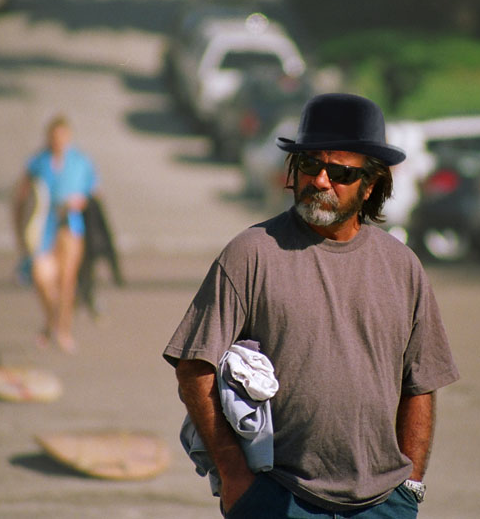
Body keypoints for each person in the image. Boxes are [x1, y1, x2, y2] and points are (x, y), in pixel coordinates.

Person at [163, 93, 459, 518]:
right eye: (309, 165)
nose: (320, 181)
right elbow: (194, 366)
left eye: (339, 171)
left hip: (383, 505)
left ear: (371, 185)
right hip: (279, 497)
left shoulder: (402, 266)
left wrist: (409, 488)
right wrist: (234, 475)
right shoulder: (251, 254)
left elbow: (421, 383)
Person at [12, 114, 99, 353]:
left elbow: (92, 192)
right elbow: (22, 196)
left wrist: (79, 201)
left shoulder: (80, 162)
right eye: (54, 136)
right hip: (43, 227)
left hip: (71, 228)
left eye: (62, 136)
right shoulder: (39, 162)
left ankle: (62, 330)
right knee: (41, 275)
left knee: (66, 280)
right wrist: (21, 228)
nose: (58, 141)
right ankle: (51, 320)